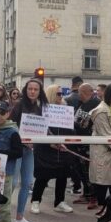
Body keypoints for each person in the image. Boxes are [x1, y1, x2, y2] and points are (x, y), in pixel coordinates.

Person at [30, 84, 74, 214]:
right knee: (42, 176)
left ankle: (59, 202)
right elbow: (38, 128)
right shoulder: (41, 109)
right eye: (58, 94)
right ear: (51, 94)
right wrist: (50, 141)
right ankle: (35, 201)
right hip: (45, 149)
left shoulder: (66, 109)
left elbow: (70, 129)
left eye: (62, 94)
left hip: (62, 148)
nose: (61, 96)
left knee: (62, 176)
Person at [9, 79, 46, 222]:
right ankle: (1, 216)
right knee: (11, 184)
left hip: (30, 150)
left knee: (27, 183)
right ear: (26, 90)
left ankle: (19, 218)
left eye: (35, 89)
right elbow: (10, 125)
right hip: (17, 149)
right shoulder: (19, 105)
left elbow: (43, 128)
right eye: (30, 89)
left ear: (39, 91)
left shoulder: (41, 108)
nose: (32, 91)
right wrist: (23, 139)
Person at [72, 83, 101, 208]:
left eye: (80, 92)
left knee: (90, 171)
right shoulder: (82, 104)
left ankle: (94, 197)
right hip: (79, 142)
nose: (79, 95)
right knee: (80, 169)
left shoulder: (96, 104)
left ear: (85, 92)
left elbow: (89, 124)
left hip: (89, 143)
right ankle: (87, 193)